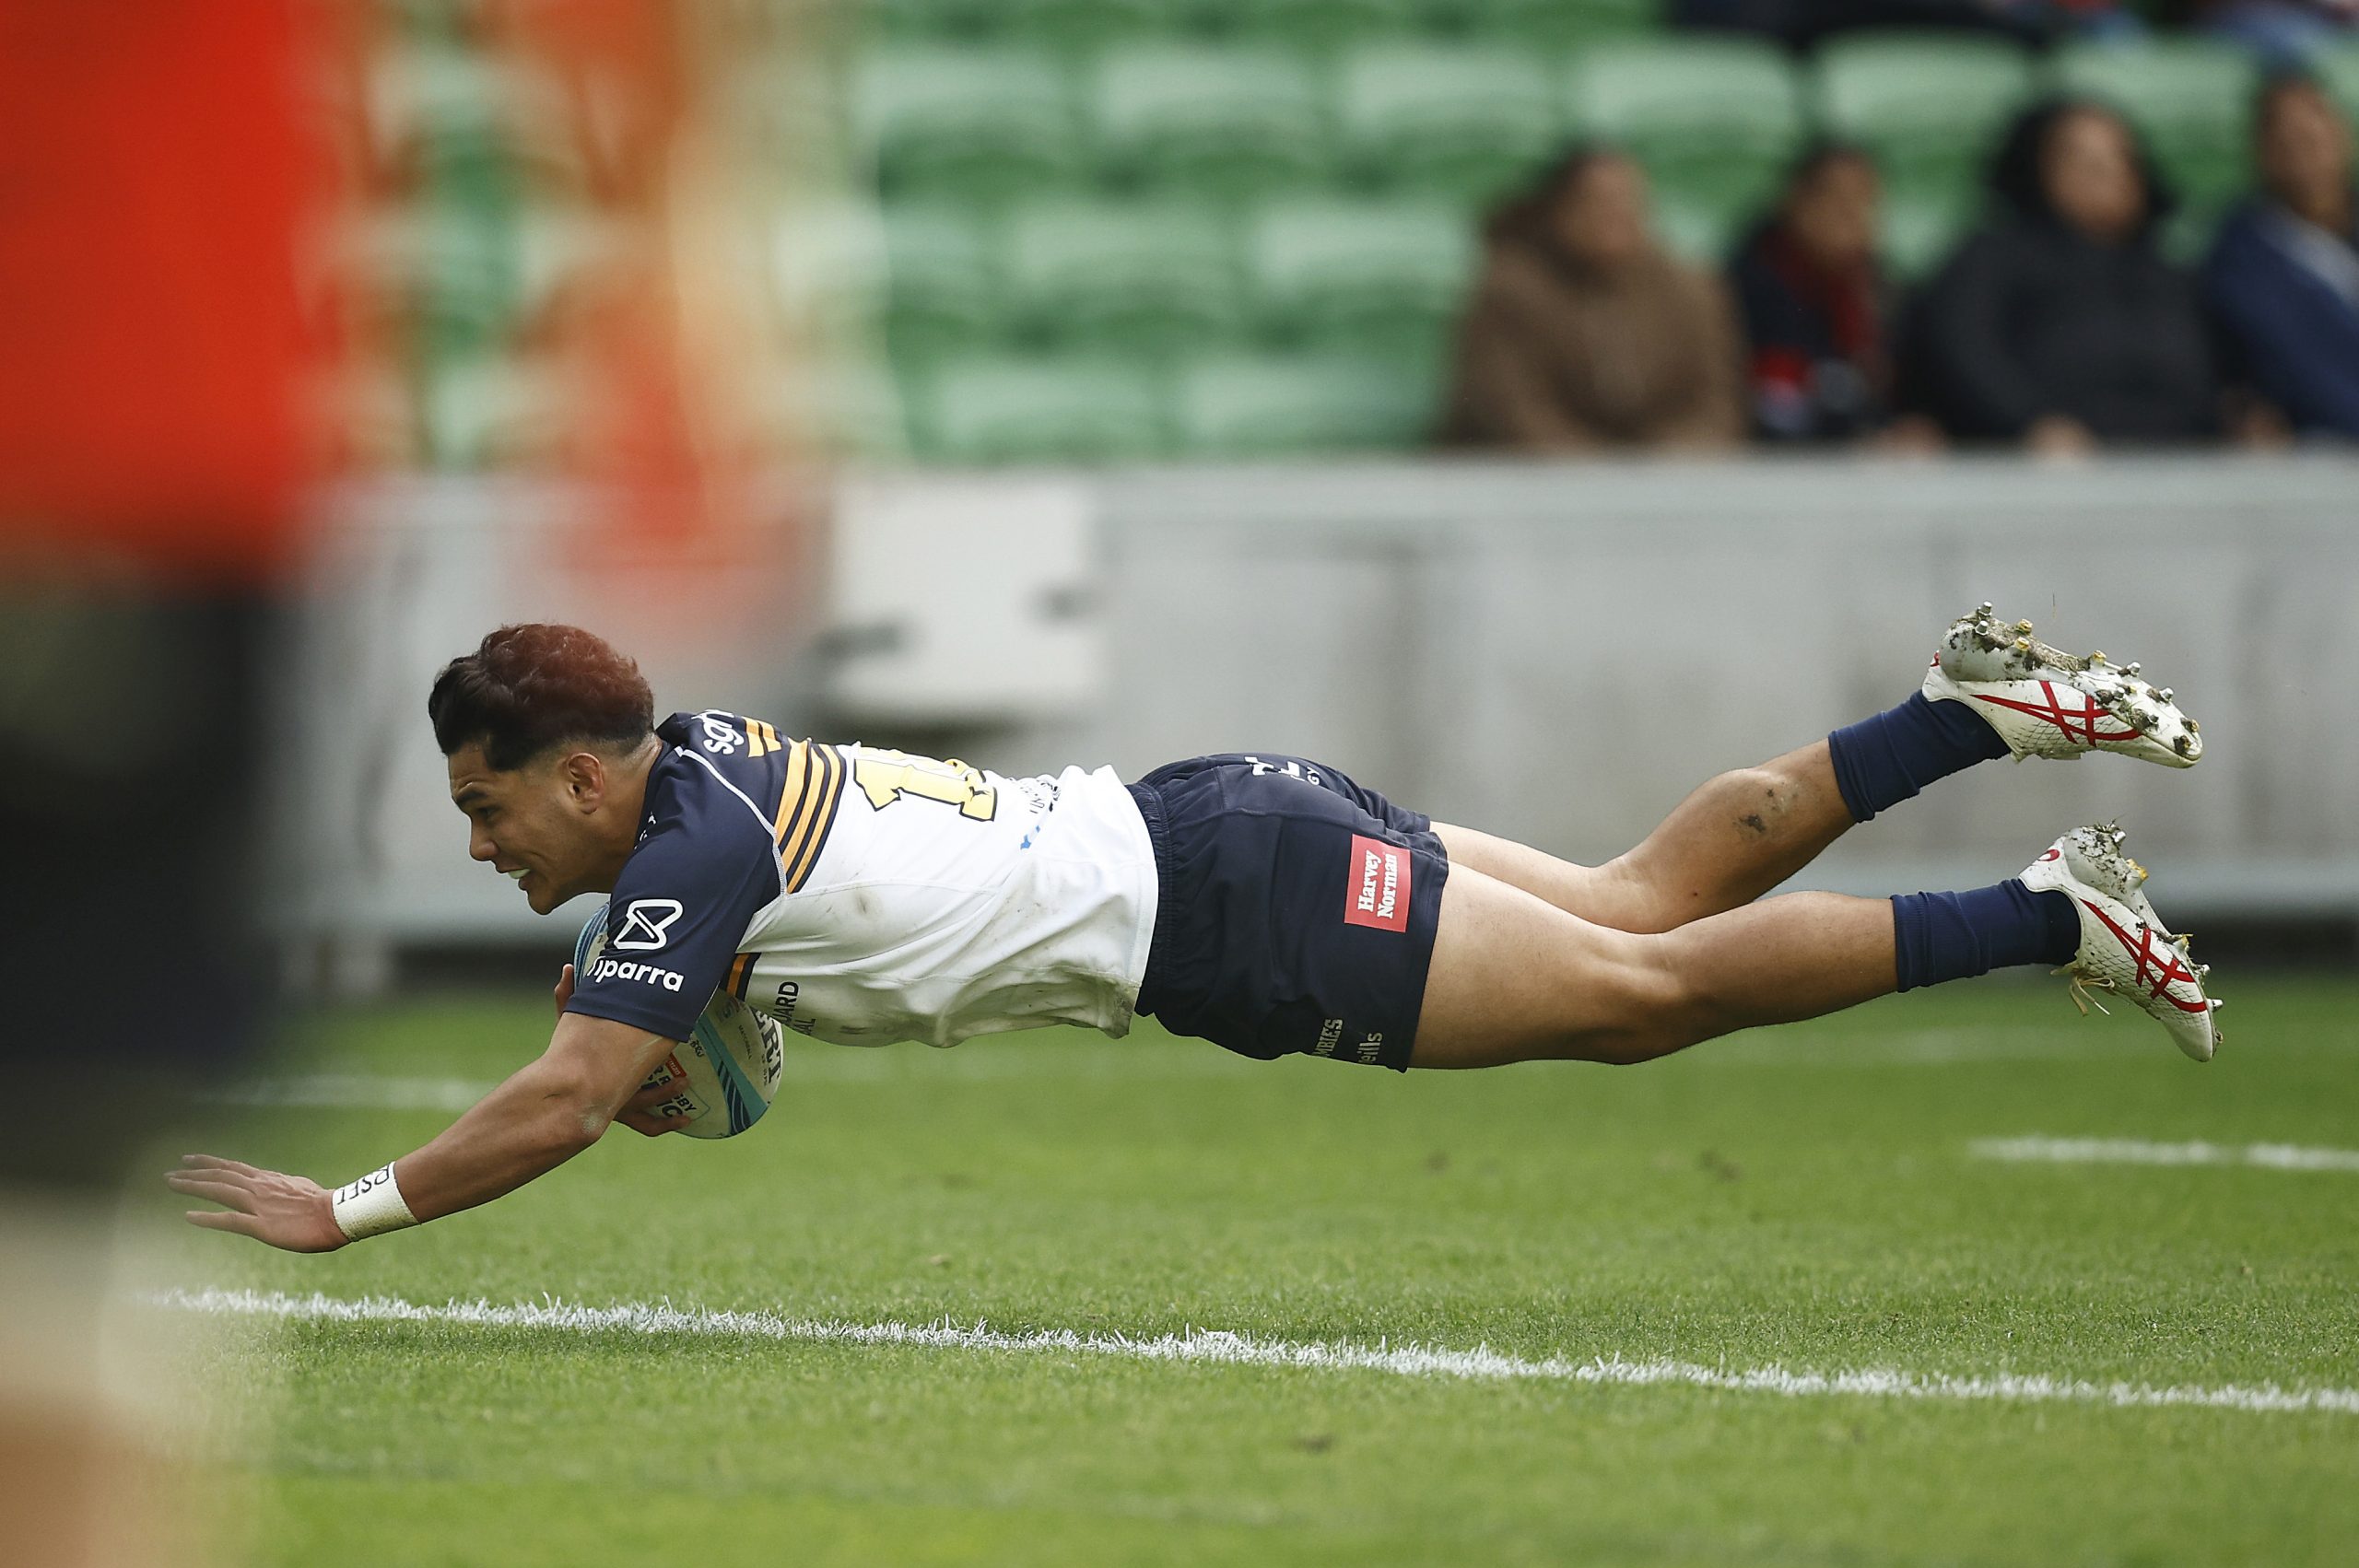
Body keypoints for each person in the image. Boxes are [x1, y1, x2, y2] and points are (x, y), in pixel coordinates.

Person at [170, 609, 2222, 1253]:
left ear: (584, 769)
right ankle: (1966, 708)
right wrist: (680, 1042)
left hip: (1223, 909)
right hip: (1210, 818)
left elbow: (565, 1096)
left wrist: (344, 1212)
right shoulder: (691, 781)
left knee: (1638, 996)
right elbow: (697, 1060)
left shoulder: (680, 848)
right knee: (1633, 905)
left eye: (485, 798)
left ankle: (2042, 918)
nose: (474, 838)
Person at [1905, 99, 2226, 454]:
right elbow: (1961, 348)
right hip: (2040, 468)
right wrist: (2028, 422)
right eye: (2080, 159)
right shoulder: (1993, 256)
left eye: (2118, 158)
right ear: (2038, 167)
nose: (2103, 172)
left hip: (2188, 465)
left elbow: (2226, 371)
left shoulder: (2175, 274)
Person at [1439, 146, 1745, 453]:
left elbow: (1715, 403)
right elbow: (1511, 410)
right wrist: (1596, 473)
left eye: (1626, 201)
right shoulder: (1508, 290)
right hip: (1530, 482)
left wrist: (1673, 458)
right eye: (1596, 201)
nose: (1613, 214)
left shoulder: (1690, 291)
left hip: (1662, 481)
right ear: (1559, 208)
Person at [1728, 143, 1930, 446]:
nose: (1853, 218)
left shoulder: (1883, 292)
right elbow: (1775, 413)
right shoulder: (1748, 291)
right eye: (1839, 202)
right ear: (1798, 202)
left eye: (1867, 203)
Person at [2205, 73, 2359, 440]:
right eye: (2287, 141)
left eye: (2314, 137)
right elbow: (2301, 375)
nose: (2305, 154)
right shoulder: (2240, 264)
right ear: (2261, 152)